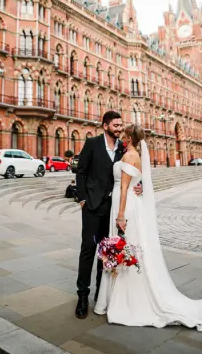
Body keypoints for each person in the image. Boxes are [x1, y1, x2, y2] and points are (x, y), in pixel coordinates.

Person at [94, 124, 202, 331]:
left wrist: (120, 215)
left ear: (130, 137)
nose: (122, 137)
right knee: (130, 247)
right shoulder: (134, 155)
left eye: (125, 135)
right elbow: (137, 181)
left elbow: (125, 187)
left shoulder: (128, 157)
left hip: (125, 206)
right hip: (130, 204)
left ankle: (128, 300)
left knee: (126, 246)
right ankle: (121, 295)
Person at [75, 110, 142, 320]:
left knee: (106, 253)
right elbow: (81, 171)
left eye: (121, 125)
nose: (119, 129)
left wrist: (141, 185)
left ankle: (100, 293)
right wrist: (83, 198)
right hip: (93, 207)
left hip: (113, 209)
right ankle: (82, 297)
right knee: (88, 250)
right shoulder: (92, 143)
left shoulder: (124, 147)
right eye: (115, 125)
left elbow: (134, 171)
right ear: (105, 126)